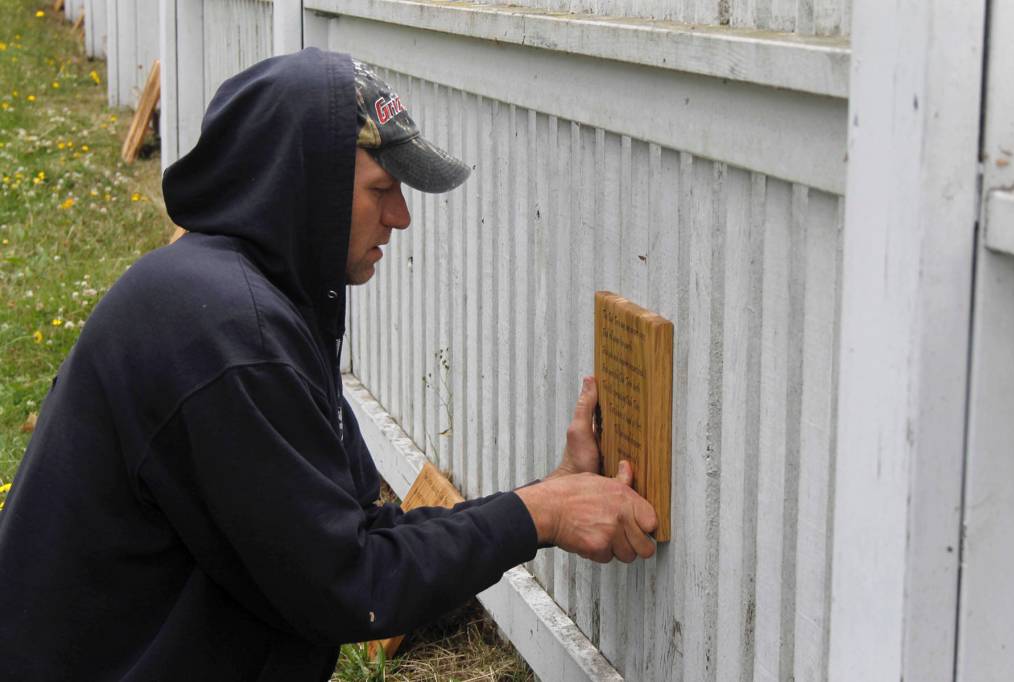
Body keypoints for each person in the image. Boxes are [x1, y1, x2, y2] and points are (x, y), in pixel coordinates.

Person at [0, 49, 656, 680]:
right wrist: (543, 515)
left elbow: (364, 532)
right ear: (302, 185)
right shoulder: (231, 338)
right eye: (382, 189)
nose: (400, 217)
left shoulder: (255, 302)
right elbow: (352, 582)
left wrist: (546, 494)